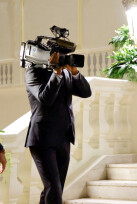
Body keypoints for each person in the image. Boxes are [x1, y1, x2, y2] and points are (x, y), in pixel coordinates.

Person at [25, 52, 92, 204]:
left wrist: (74, 72)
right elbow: (45, 98)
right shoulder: (33, 71)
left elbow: (86, 92)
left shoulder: (67, 72)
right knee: (53, 188)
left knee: (55, 188)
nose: (62, 57)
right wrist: (56, 73)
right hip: (42, 138)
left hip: (64, 136)